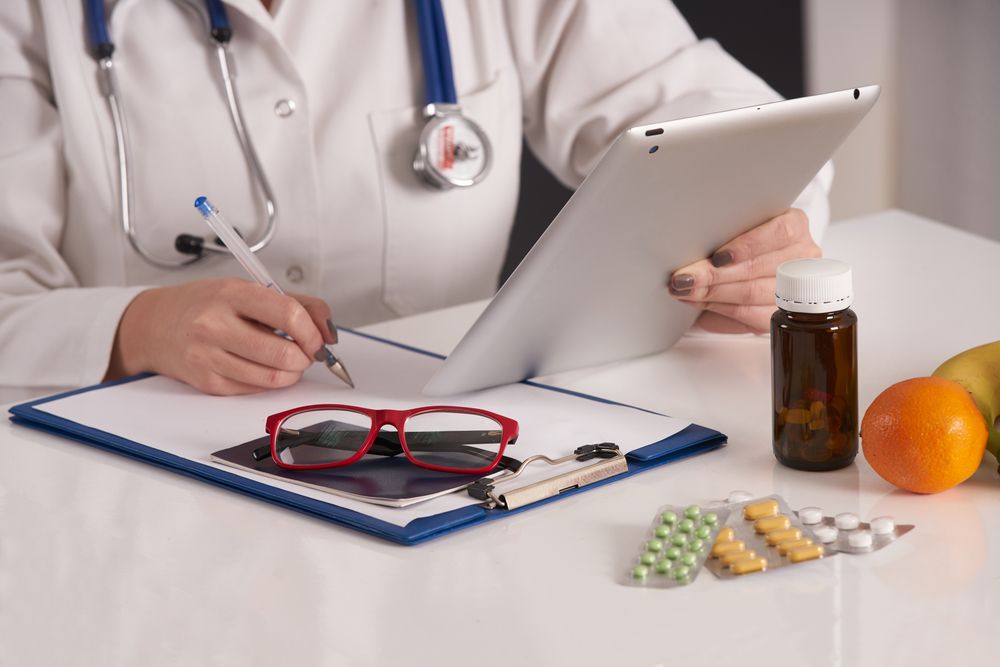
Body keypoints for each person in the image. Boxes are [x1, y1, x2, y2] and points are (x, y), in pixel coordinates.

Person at [0, 0, 829, 396]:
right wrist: (140, 327)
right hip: (126, 492)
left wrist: (750, 237)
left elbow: (716, 114)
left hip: (446, 467)